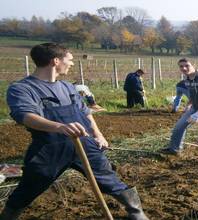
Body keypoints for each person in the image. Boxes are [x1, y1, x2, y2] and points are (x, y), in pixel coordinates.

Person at [1, 43, 148, 220]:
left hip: (84, 144)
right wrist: (59, 127)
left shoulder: (68, 87)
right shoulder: (22, 89)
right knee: (29, 186)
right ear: (55, 61)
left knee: (110, 180)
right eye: (69, 60)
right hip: (49, 148)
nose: (71, 64)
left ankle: (136, 212)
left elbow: (86, 113)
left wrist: (98, 134)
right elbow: (26, 116)